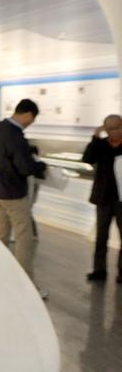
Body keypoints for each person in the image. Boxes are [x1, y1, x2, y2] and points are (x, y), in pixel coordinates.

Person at [0, 98, 46, 292]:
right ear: (28, 114)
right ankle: (25, 285)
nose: (30, 123)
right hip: (12, 193)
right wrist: (40, 166)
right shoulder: (15, 135)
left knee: (1, 232)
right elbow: (24, 166)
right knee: (24, 237)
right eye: (32, 119)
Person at [83, 114, 122, 283]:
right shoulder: (100, 145)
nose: (114, 132)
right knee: (101, 235)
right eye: (110, 128)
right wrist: (94, 137)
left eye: (118, 127)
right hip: (104, 197)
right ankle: (99, 270)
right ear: (105, 129)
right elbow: (87, 159)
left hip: (121, 199)